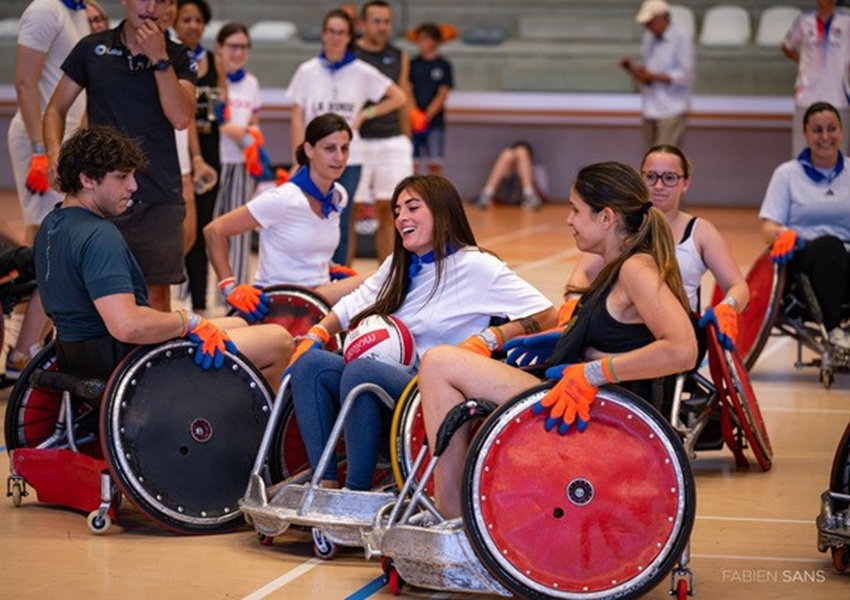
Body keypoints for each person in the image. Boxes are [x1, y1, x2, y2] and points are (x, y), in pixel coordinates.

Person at [418, 162, 698, 518]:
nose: (569, 219)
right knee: (452, 368)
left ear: (606, 218)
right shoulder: (616, 266)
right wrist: (559, 342)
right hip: (579, 400)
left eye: (575, 209)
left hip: (598, 417)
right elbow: (614, 336)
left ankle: (451, 514)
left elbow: (683, 349)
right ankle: (459, 508)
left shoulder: (636, 269)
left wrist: (595, 372)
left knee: (439, 362)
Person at [287, 174, 556, 491]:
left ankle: (355, 491)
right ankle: (325, 483)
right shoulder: (399, 265)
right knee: (312, 365)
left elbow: (546, 313)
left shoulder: (478, 267)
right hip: (384, 377)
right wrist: (315, 335)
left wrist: (489, 339)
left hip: (427, 389)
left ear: (442, 212)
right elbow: (351, 304)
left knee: (362, 371)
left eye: (412, 208)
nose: (401, 218)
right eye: (398, 210)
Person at [33, 125, 291, 389]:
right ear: (87, 179)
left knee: (238, 321)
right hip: (131, 366)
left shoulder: (51, 225)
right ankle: (253, 427)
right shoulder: (99, 236)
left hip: (80, 358)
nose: (133, 186)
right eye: (122, 177)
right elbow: (127, 326)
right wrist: (188, 321)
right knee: (278, 340)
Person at [44, 0, 198, 313]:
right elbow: (55, 109)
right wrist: (53, 153)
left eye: (161, 0)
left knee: (154, 296)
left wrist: (160, 60)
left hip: (157, 192)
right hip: (99, 193)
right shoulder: (92, 48)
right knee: (91, 291)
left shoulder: (178, 55)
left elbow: (181, 118)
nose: (151, 7)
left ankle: (150, 364)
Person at [556, 145, 748, 351]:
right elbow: (582, 275)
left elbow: (738, 285)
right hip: (628, 335)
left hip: (672, 340)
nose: (658, 185)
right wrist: (573, 306)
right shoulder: (622, 231)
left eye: (669, 177)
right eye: (651, 176)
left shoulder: (700, 232)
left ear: (686, 183)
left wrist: (729, 306)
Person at [204, 113, 367, 319]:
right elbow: (214, 231)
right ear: (309, 150)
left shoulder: (338, 196)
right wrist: (230, 287)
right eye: (329, 148)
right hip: (280, 299)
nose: (339, 157)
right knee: (377, 280)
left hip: (318, 297)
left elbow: (309, 246)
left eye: (344, 149)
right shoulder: (282, 199)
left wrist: (330, 267)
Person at [286, 8, 407, 266]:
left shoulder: (362, 71)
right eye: (331, 32)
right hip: (313, 160)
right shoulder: (307, 71)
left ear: (349, 36)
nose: (335, 37)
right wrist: (298, 156)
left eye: (341, 33)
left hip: (349, 161)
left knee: (341, 218)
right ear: (323, 34)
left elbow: (399, 96)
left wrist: (367, 113)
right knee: (308, 218)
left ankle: (340, 281)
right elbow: (297, 114)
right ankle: (309, 277)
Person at [760, 101, 850, 349]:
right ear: (805, 134)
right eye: (817, 130)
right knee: (830, 247)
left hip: (846, 256)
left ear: (841, 131)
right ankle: (833, 330)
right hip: (803, 257)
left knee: (838, 250)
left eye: (831, 129)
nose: (825, 136)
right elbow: (767, 227)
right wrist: (783, 234)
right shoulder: (787, 174)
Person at [8, 0, 89, 245]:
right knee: (44, 227)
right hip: (40, 138)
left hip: (65, 135)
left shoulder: (78, 11)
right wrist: (39, 150)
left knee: (63, 226)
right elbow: (24, 83)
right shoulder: (45, 9)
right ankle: (31, 283)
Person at [353, 0, 414, 262]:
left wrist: (407, 138)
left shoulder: (399, 55)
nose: (382, 27)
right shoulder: (351, 53)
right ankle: (344, 277)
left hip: (392, 141)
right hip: (359, 142)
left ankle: (387, 278)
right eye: (376, 21)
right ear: (363, 24)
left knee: (392, 210)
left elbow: (404, 97)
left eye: (387, 21)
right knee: (352, 210)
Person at [176, 0, 223, 314]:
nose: (193, 25)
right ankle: (171, 295)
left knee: (204, 225)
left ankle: (200, 302)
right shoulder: (170, 58)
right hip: (181, 148)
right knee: (180, 228)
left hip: (210, 150)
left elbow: (221, 105)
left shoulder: (213, 61)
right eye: (186, 19)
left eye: (198, 20)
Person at [213, 21, 264, 291]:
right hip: (213, 161)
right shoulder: (209, 79)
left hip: (241, 163)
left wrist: (251, 136)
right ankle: (192, 291)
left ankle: (235, 291)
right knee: (208, 229)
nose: (238, 52)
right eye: (233, 46)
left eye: (244, 47)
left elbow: (254, 122)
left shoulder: (251, 83)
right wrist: (227, 128)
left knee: (239, 232)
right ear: (219, 48)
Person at [619, 0, 694, 150]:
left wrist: (653, 76)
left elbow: (685, 75)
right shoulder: (649, 38)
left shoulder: (681, 38)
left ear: (663, 17)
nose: (647, 26)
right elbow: (646, 77)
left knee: (664, 160)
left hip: (672, 109)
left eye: (650, 22)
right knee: (648, 160)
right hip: (650, 108)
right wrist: (631, 69)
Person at [782, 0, 850, 156]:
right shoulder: (804, 21)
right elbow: (787, 46)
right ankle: (800, 180)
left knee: (839, 151)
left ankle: (838, 181)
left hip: (838, 96)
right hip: (807, 95)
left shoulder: (847, 21)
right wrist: (803, 63)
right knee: (801, 150)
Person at [409, 22, 454, 176]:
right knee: (412, 162)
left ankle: (435, 197)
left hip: (434, 122)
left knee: (435, 162)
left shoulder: (443, 65)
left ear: (434, 41)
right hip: (414, 121)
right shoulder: (412, 64)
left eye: (425, 39)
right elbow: (407, 89)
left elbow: (442, 93)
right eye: (419, 39)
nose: (421, 43)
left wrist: (427, 115)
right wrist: (415, 113)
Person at [474, 141, 542, 211]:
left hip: (521, 195)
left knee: (521, 151)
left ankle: (529, 195)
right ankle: (486, 195)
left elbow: (543, 195)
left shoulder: (536, 170)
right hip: (503, 192)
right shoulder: (506, 167)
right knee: (507, 153)